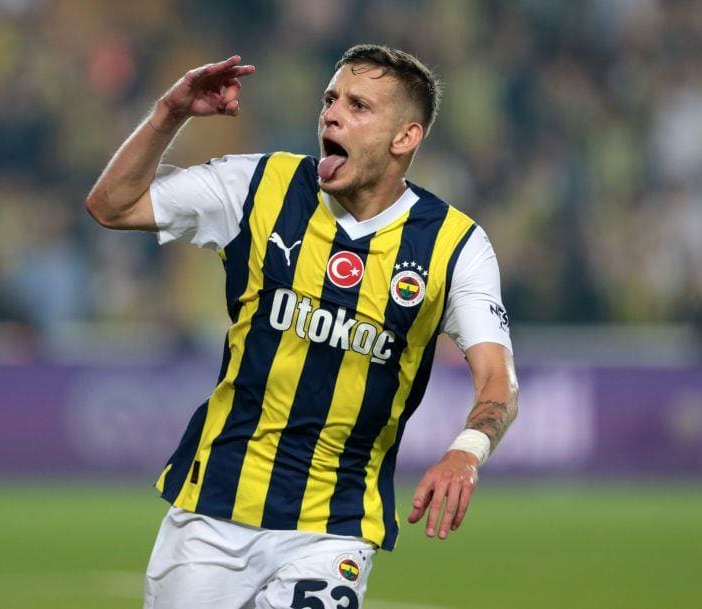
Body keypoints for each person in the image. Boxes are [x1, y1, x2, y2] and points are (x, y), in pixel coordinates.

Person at [87, 44, 519, 609]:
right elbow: (112, 207)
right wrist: (170, 113)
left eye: (358, 105)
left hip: (334, 525)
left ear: (404, 138)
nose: (332, 114)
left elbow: (498, 382)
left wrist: (465, 452)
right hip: (215, 508)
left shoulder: (454, 245)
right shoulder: (259, 187)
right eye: (330, 99)